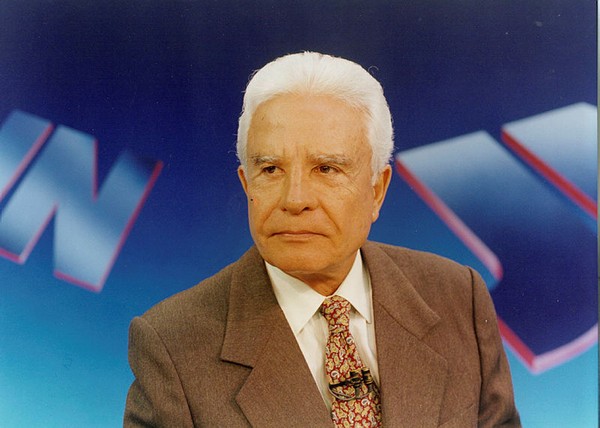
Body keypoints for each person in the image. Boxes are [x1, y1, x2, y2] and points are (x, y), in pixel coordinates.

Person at [124, 51, 520, 427]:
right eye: (271, 169)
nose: (295, 199)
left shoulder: (458, 297)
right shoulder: (172, 345)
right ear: (247, 185)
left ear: (377, 190)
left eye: (326, 169)